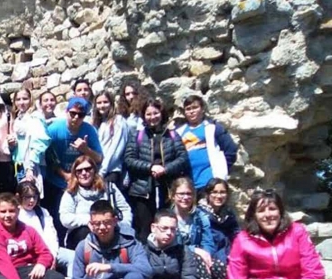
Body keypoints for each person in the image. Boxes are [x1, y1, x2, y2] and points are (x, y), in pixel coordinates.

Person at [124, 99, 190, 242]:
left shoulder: (172, 135)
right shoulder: (137, 136)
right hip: (143, 190)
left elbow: (182, 158)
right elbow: (129, 159)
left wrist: (165, 169)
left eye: (155, 113)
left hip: (167, 188)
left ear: (162, 114)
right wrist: (150, 167)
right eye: (148, 114)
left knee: (167, 227)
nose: (152, 117)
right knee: (144, 229)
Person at [45, 97, 104, 241]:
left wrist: (85, 149)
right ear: (66, 112)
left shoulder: (88, 130)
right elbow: (47, 156)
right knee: (56, 218)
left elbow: (99, 158)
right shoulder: (54, 129)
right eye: (73, 113)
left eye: (81, 115)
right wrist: (64, 175)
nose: (76, 118)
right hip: (56, 180)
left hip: (80, 181)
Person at [169, 177, 226, 279]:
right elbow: (173, 244)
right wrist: (196, 250)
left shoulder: (199, 216)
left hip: (201, 256)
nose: (185, 198)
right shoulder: (168, 217)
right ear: (173, 195)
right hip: (178, 258)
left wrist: (207, 254)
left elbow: (208, 241)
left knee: (218, 265)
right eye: (181, 194)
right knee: (198, 261)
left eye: (189, 194)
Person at [59, 155, 132, 251]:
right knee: (84, 233)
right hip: (83, 236)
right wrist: (90, 221)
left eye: (88, 169)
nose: (84, 173)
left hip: (111, 231)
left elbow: (125, 209)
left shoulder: (109, 188)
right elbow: (65, 218)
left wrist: (122, 226)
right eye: (79, 171)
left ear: (94, 170)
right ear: (75, 174)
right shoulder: (71, 193)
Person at [175, 95, 238, 193]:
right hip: (189, 185)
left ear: (202, 109)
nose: (191, 111)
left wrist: (222, 170)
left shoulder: (213, 128)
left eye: (195, 107)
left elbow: (231, 150)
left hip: (210, 183)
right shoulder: (178, 132)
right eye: (188, 109)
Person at [17, 181, 74, 278]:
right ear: (18, 197)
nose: (31, 200)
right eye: (27, 197)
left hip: (49, 250)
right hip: (31, 254)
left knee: (74, 257)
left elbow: (51, 235)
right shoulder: (16, 214)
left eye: (34, 197)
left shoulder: (42, 212)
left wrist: (52, 255)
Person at [12, 88, 50, 194]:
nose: (21, 102)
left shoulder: (35, 117)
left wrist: (30, 168)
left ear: (31, 100)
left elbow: (40, 142)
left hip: (33, 165)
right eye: (18, 99)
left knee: (33, 199)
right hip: (20, 165)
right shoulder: (18, 119)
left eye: (25, 99)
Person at [91, 90, 128, 190]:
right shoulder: (98, 123)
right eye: (99, 103)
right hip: (96, 171)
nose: (102, 105)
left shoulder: (118, 121)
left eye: (105, 102)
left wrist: (102, 171)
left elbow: (116, 148)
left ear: (111, 103)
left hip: (111, 171)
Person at [198, 178, 240, 265]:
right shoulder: (199, 215)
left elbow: (237, 235)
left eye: (222, 192)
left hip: (229, 257)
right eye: (214, 192)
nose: (219, 196)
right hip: (210, 259)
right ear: (207, 194)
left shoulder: (229, 215)